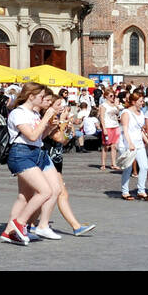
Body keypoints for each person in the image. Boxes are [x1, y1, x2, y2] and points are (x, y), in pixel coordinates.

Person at [1, 82, 66, 245]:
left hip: (37, 152)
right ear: (31, 96)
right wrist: (46, 118)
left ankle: (9, 232)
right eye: (41, 96)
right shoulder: (18, 113)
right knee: (45, 191)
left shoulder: (34, 113)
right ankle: (20, 223)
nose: (44, 100)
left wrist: (49, 127)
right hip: (21, 154)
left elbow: (38, 137)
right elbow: (31, 136)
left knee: (25, 196)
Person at [39, 91, 95, 237]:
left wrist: (68, 127)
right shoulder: (50, 120)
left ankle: (30, 224)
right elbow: (59, 138)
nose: (61, 107)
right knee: (60, 193)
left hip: (57, 160)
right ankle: (75, 226)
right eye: (58, 105)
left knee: (44, 194)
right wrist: (64, 123)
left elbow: (67, 139)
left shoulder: (57, 120)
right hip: (48, 160)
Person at [120, 89, 148, 201]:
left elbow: (141, 130)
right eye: (140, 101)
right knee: (128, 168)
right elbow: (125, 130)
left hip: (139, 143)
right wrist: (130, 143)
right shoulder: (126, 113)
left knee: (144, 166)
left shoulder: (141, 113)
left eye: (143, 101)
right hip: (128, 144)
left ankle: (141, 190)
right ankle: (125, 191)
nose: (142, 103)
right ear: (134, 102)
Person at [98, 87, 120, 171]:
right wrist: (104, 128)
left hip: (115, 126)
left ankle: (113, 164)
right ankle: (103, 164)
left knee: (114, 146)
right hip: (108, 126)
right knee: (106, 146)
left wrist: (117, 106)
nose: (112, 97)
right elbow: (102, 117)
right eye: (111, 96)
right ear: (106, 96)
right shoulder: (103, 105)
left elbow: (117, 114)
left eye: (113, 95)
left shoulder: (114, 105)